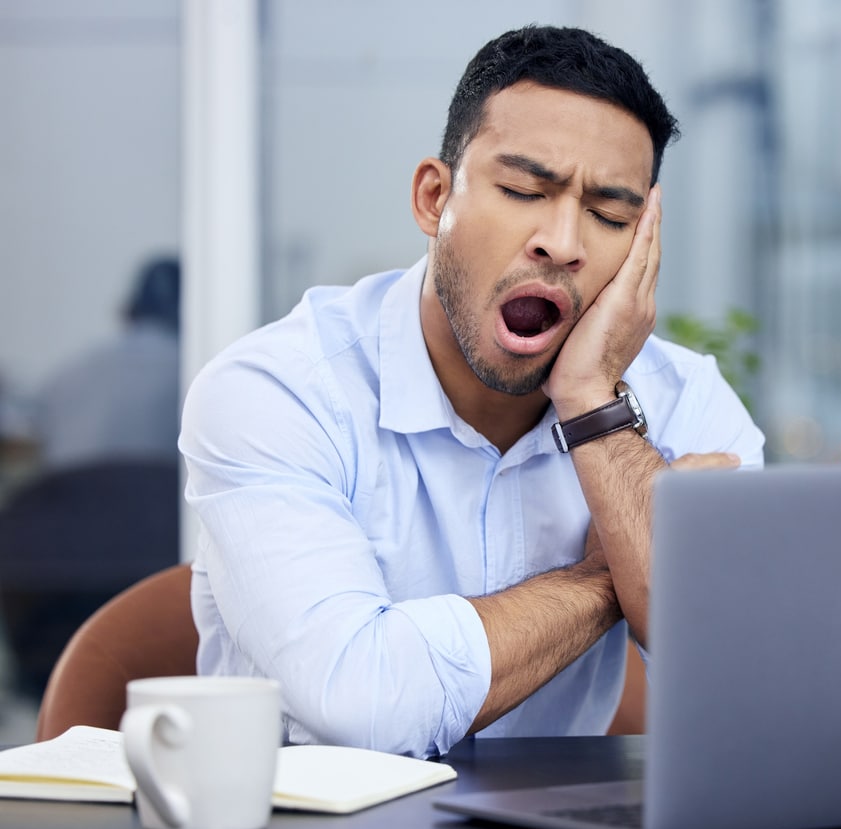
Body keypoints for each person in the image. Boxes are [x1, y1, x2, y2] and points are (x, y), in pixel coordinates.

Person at [179, 25, 765, 759]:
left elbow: (749, 679)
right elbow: (363, 706)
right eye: (524, 190)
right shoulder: (277, 391)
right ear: (433, 198)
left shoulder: (685, 402)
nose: (562, 241)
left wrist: (591, 400)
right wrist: (608, 575)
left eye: (610, 216)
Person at [34, 257, 182, 469]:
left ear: (126, 310)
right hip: (152, 497)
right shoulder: (193, 372)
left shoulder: (68, 371)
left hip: (69, 498)